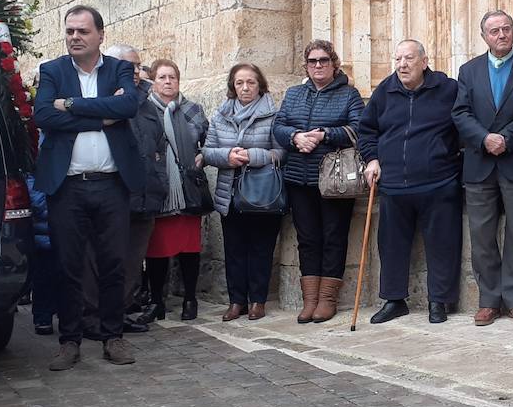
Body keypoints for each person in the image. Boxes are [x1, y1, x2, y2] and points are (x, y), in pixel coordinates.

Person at [33, 4, 144, 370]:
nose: (75, 37)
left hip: (112, 184)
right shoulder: (51, 70)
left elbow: (128, 105)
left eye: (82, 31)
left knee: (114, 263)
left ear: (100, 35)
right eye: (70, 32)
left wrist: (74, 106)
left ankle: (113, 337)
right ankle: (70, 341)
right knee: (68, 265)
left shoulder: (119, 69)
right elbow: (44, 115)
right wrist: (101, 115)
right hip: (68, 186)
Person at [359, 40, 462, 324]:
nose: (402, 65)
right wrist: (372, 159)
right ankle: (394, 300)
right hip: (393, 183)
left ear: (424, 61)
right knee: (391, 245)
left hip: (438, 182)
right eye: (398, 59)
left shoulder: (448, 89)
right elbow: (366, 129)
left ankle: (439, 301)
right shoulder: (385, 91)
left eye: (408, 59)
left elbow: (463, 123)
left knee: (443, 244)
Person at [453, 10, 513, 325]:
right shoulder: (469, 70)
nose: (502, 35)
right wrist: (483, 138)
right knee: (482, 236)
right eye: (494, 31)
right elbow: (460, 113)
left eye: (506, 28)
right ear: (484, 37)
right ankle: (489, 300)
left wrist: (506, 138)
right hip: (479, 164)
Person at [273, 40, 364, 324]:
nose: (318, 66)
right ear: (306, 66)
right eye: (313, 61)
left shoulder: (349, 94)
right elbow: (279, 125)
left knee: (334, 238)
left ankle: (327, 300)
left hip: (336, 180)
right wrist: (295, 138)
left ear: (334, 64)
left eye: (324, 60)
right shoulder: (294, 94)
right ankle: (309, 299)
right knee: (308, 240)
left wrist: (324, 134)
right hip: (300, 177)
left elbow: (358, 129)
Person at [202, 63, 283, 322]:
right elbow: (207, 151)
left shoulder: (273, 114)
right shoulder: (220, 115)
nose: (245, 88)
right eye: (239, 83)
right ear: (232, 86)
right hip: (230, 191)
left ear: (260, 85)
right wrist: (228, 155)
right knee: (234, 249)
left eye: (250, 82)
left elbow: (281, 153)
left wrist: (252, 156)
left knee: (261, 248)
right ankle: (236, 301)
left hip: (262, 193)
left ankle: (257, 300)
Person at [99, 44, 167, 335]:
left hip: (145, 195)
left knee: (132, 260)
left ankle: (123, 313)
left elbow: (159, 147)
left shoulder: (148, 105)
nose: (136, 72)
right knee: (108, 260)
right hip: (114, 195)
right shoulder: (102, 99)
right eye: (129, 66)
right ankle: (98, 317)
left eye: (139, 66)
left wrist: (158, 182)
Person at [145, 59, 208, 322]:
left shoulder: (193, 109)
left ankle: (190, 299)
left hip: (187, 189)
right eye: (162, 77)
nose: (168, 81)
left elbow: (208, 139)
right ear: (154, 81)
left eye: (172, 77)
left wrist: (203, 155)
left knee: (189, 249)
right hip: (158, 188)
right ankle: (157, 300)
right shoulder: (144, 111)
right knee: (156, 250)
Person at [26, 169, 56, 335]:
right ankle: (43, 317)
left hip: (63, 234)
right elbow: (38, 203)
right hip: (42, 238)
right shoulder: (33, 174)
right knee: (43, 279)